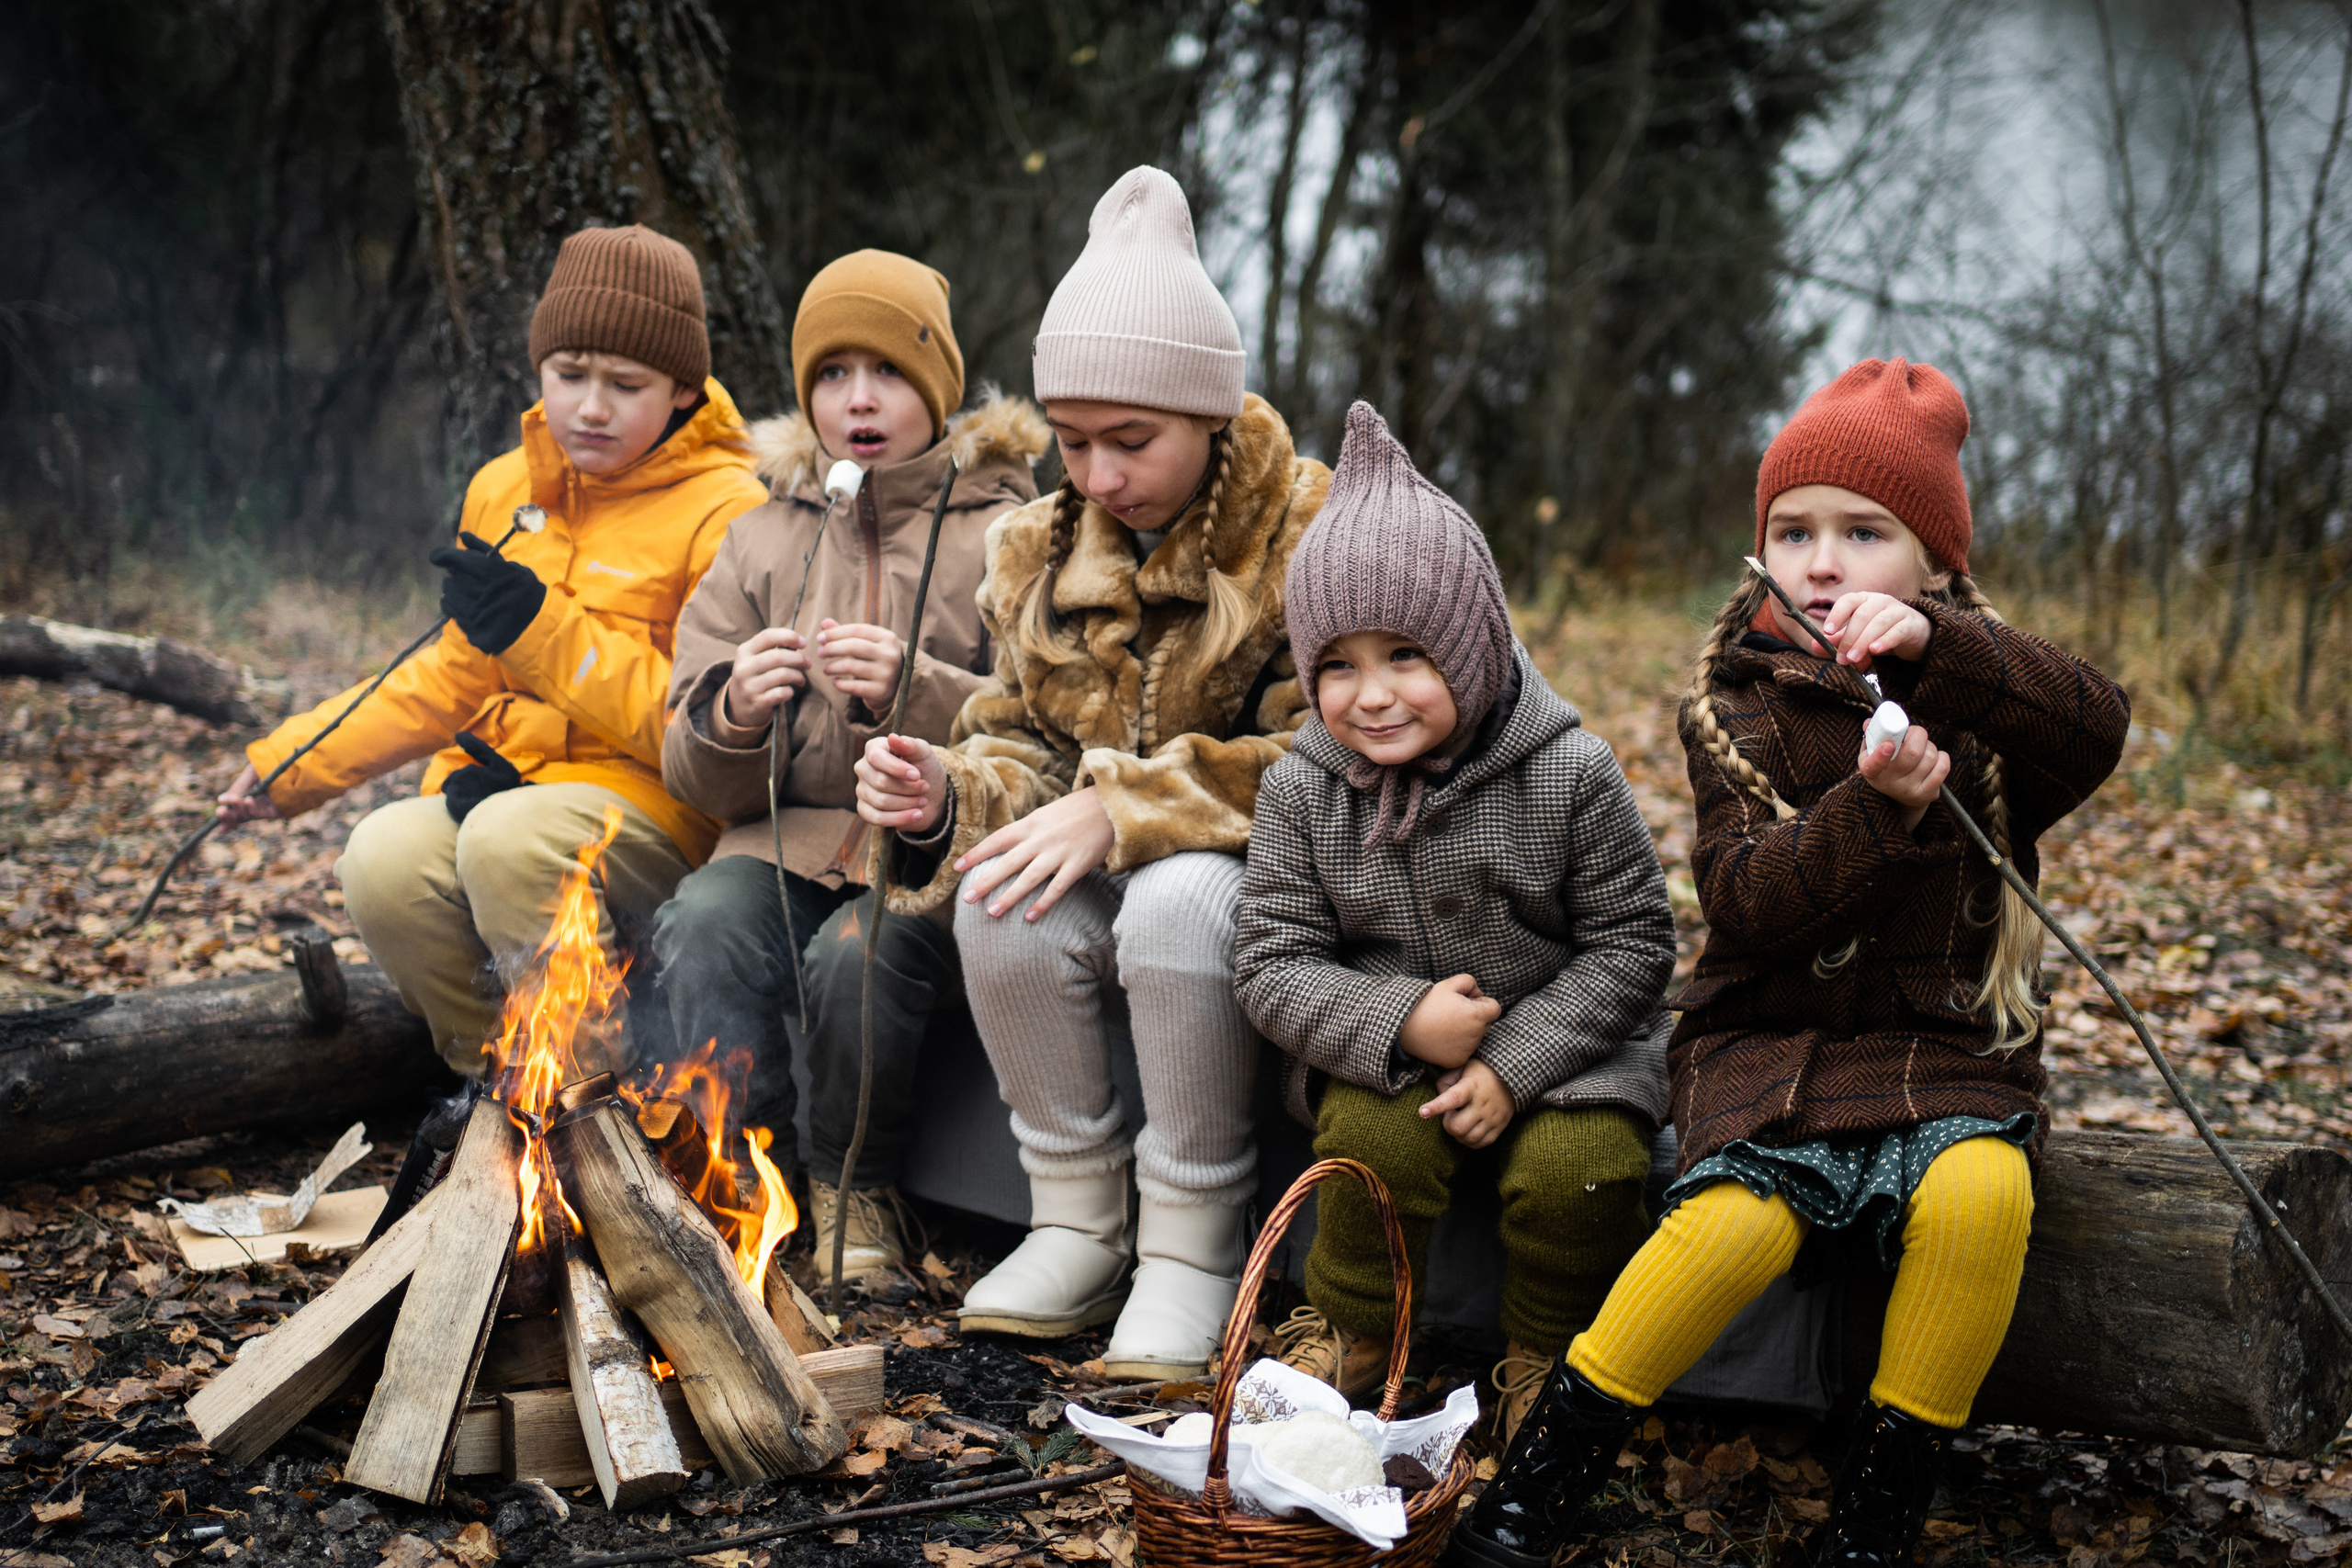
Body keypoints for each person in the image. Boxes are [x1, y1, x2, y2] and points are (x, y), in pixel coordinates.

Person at [1451, 360, 2132, 1568]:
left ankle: (1876, 1519)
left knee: (1983, 1195)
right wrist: (1872, 814)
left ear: (1931, 562)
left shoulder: (1982, 695)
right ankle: (1536, 1486)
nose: (1824, 558)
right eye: (1794, 528)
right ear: (1761, 549)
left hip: (1940, 1049)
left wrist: (1946, 653)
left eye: (1865, 532)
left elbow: (2098, 724)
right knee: (1729, 1229)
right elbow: (1745, 900)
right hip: (1769, 1041)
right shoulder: (1738, 705)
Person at [852, 165, 1329, 1379]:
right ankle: (1073, 1212)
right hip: (1109, 850)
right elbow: (1020, 733)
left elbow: (1331, 754)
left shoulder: (1308, 535)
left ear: (1210, 417)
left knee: (1173, 905)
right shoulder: (1039, 550)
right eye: (1071, 444)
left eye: (1132, 442)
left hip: (1265, 878)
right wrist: (956, 796)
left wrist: (1127, 809)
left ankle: (1190, 1239)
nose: (1100, 477)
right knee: (995, 894)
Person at [216, 224, 768, 1078]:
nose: (589, 406)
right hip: (522, 794)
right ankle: (510, 1098)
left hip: (666, 816)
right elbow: (450, 673)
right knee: (381, 860)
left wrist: (540, 631)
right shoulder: (505, 489)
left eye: (626, 385)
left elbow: (708, 730)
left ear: (684, 392)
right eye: (568, 374)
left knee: (507, 840)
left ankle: (596, 1115)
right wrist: (289, 765)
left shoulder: (729, 509)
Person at [1233, 401, 1674, 1439]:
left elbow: (1634, 942)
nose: (1370, 695)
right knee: (1366, 1140)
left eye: (1405, 657)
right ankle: (1351, 1325)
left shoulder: (1568, 771)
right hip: (1392, 1055)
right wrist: (1397, 1024)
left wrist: (1513, 1061)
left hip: (1569, 1055)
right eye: (1336, 664)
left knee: (1580, 1173)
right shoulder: (1303, 787)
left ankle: (1549, 1355)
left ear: (1471, 650)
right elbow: (1270, 961)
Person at [651, 249, 1046, 1287]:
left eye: (889, 373)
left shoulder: (1011, 532)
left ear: (939, 389)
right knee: (703, 920)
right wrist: (735, 708)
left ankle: (852, 1188)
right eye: (833, 374)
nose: (859, 400)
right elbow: (692, 770)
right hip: (786, 836)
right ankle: (737, 1175)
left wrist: (920, 690)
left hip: (936, 846)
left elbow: (1050, 720)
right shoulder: (758, 537)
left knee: (858, 953)